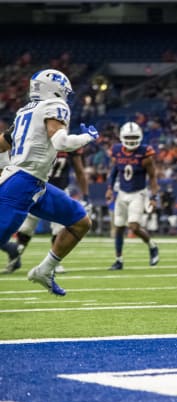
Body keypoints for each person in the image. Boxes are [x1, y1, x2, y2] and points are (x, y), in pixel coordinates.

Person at [0, 69, 97, 295]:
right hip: (22, 183)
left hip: (34, 183)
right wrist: (88, 137)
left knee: (80, 222)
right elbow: (62, 142)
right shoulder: (55, 106)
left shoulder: (26, 111)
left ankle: (44, 270)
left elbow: (3, 143)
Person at [6, 141, 90, 274]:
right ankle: (15, 256)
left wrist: (86, 195)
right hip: (36, 188)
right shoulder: (36, 139)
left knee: (59, 228)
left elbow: (79, 171)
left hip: (59, 192)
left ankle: (53, 262)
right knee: (25, 229)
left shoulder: (69, 143)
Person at [105, 122, 159, 270]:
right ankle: (119, 260)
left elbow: (153, 177)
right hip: (122, 193)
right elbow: (114, 171)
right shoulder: (116, 150)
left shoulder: (145, 153)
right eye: (128, 137)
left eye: (134, 137)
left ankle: (152, 246)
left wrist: (154, 197)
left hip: (138, 193)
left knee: (133, 227)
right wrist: (110, 188)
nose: (131, 140)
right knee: (119, 227)